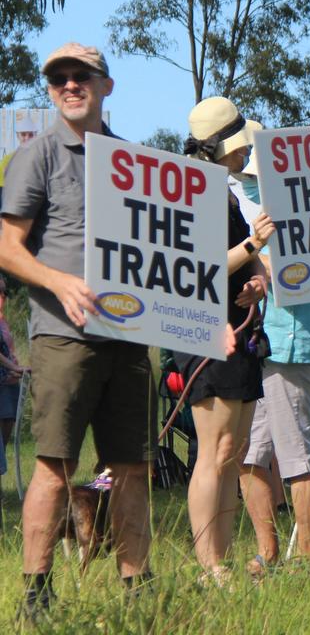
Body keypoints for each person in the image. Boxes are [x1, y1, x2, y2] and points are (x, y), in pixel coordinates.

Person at [0, 43, 154, 614]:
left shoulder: (133, 161)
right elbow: (7, 249)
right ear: (49, 90)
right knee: (56, 466)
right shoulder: (37, 156)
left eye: (81, 76)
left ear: (106, 86)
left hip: (132, 337)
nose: (69, 85)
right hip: (64, 335)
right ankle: (35, 594)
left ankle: (138, 589)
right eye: (59, 78)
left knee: (132, 467)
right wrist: (60, 283)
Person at [177, 97, 275, 584]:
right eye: (239, 147)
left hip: (241, 333)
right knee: (213, 451)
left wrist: (258, 279)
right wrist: (253, 247)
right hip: (204, 330)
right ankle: (208, 563)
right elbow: (201, 265)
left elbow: (241, 262)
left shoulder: (228, 194)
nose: (244, 156)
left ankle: (223, 558)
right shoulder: (193, 193)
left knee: (231, 453)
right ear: (221, 147)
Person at [235, 142, 310, 570]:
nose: (249, 180)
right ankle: (268, 552)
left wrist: (262, 263)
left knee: (295, 455)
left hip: (291, 345)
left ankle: (306, 560)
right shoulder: (243, 205)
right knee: (248, 454)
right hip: (256, 345)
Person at [0, 275, 29, 476]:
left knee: (5, 436)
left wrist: (17, 365)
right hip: (2, 381)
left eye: (5, 291)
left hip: (10, 382)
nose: (3, 296)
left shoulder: (3, 320)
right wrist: (11, 365)